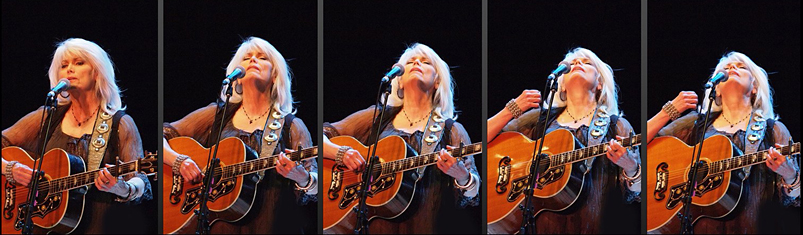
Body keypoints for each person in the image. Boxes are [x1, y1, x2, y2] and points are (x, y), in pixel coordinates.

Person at [162, 36, 316, 234]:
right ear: (237, 77)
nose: (253, 60)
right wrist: (179, 161)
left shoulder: (290, 125)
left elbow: (315, 185)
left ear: (275, 75)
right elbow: (163, 135)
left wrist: (302, 177)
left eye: (262, 57)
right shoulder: (217, 116)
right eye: (247, 57)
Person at [323, 43, 481, 233]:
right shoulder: (379, 117)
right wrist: (341, 152)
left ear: (437, 81)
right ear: (399, 80)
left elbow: (472, 193)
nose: (416, 63)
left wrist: (462, 175)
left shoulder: (451, 130)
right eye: (410, 62)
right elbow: (322, 135)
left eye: (425, 62)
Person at [1, 38, 152, 233]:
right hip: (43, 225)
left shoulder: (120, 123)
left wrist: (121, 188)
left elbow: (140, 178)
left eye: (79, 63)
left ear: (97, 72)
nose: (69, 69)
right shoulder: (48, 116)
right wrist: (9, 169)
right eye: (64, 65)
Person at [487, 47, 641, 233]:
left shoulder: (616, 126)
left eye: (586, 62)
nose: (577, 64)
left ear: (599, 83)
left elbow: (637, 193)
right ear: (562, 84)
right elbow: (483, 140)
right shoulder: (540, 121)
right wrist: (510, 110)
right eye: (571, 64)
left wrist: (631, 167)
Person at [647, 51, 799, 233]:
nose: (732, 68)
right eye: (725, 69)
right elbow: (641, 143)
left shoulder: (772, 130)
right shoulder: (696, 124)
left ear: (754, 87)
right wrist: (669, 110)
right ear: (716, 89)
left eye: (741, 67)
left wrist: (790, 174)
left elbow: (794, 197)